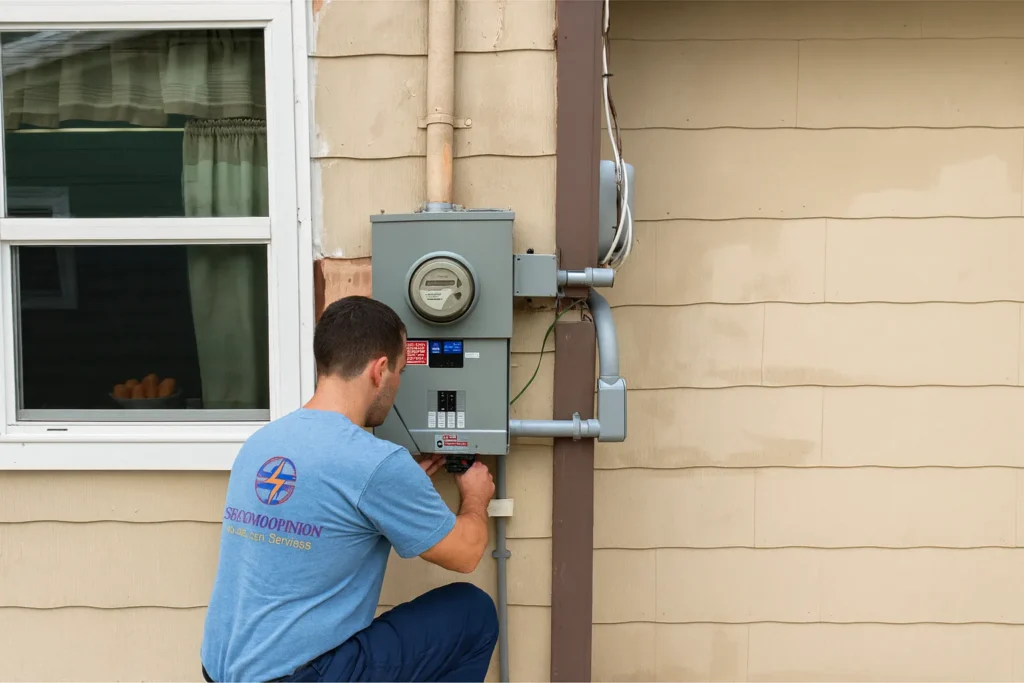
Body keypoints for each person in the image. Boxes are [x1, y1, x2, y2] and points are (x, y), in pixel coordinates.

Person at [200, 295, 498, 682]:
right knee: (472, 612)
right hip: (296, 677)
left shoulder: (263, 442)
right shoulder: (374, 462)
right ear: (380, 369)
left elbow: (325, 508)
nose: (399, 383)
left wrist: (398, 494)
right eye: (402, 371)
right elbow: (467, 553)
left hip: (219, 670)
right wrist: (476, 496)